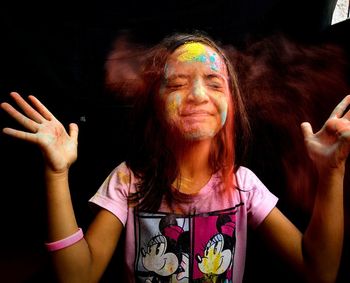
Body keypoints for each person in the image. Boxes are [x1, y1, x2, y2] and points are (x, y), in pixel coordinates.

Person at [1, 32, 349, 283]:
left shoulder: (243, 186)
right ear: (156, 105)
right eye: (178, 83)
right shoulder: (127, 181)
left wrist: (331, 173)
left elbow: (318, 271)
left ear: (232, 103)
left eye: (214, 82)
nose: (197, 94)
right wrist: (56, 172)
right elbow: (77, 276)